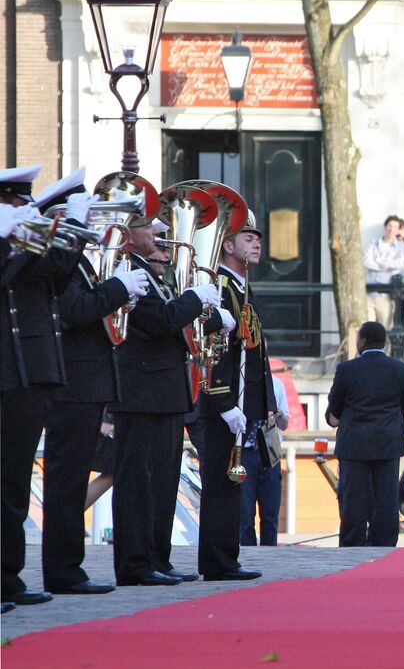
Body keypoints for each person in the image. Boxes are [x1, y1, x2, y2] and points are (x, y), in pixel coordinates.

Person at [44, 172, 153, 596]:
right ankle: (63, 570)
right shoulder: (65, 264)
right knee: (66, 481)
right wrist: (116, 289)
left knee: (70, 482)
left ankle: (68, 568)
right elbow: (75, 313)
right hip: (73, 384)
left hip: (88, 384)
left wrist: (118, 292)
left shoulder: (78, 261)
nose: (94, 222)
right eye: (83, 215)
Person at [111, 210, 225, 586]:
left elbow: (178, 328)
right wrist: (193, 299)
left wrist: (204, 313)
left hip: (165, 393)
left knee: (161, 484)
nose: (160, 236)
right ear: (129, 237)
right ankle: (135, 563)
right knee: (138, 485)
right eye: (150, 229)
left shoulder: (155, 274)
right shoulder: (129, 271)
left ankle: (157, 558)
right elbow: (159, 321)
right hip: (142, 394)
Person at [2, 165, 96, 607]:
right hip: (12, 370)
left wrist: (72, 228)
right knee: (6, 483)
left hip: (31, 372)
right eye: (17, 205)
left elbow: (55, 270)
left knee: (16, 483)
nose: (23, 212)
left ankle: (10, 577)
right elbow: (12, 273)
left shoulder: (20, 237)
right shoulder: (10, 241)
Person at [193, 214, 274, 580]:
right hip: (223, 403)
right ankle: (217, 561)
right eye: (248, 237)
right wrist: (225, 404)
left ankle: (226, 557)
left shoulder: (240, 286)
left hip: (243, 404)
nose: (257, 243)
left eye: (258, 238)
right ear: (227, 245)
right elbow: (214, 352)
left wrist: (264, 403)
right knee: (221, 484)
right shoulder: (221, 287)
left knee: (231, 485)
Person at [326, 322, 404, 547]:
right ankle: (384, 544)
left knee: (353, 499)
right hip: (387, 442)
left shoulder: (347, 369)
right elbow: (403, 405)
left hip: (354, 443)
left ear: (362, 341)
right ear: (384, 342)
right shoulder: (401, 370)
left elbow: (335, 406)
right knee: (386, 499)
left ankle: (352, 544)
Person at [241, 373, 290, 546]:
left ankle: (270, 554)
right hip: (245, 451)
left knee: (270, 513)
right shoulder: (240, 382)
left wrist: (278, 413)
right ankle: (247, 556)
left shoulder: (275, 384)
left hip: (269, 450)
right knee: (244, 514)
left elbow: (285, 424)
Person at [364, 215, 404, 326]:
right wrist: (386, 263)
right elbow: (367, 261)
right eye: (390, 226)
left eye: (397, 229)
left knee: (395, 326)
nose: (393, 230)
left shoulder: (403, 247)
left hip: (398, 290)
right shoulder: (375, 244)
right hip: (373, 290)